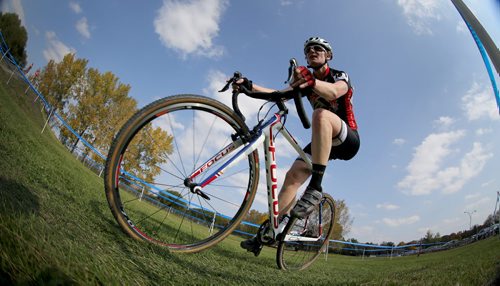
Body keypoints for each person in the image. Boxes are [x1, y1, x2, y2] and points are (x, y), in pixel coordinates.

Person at [233, 36, 360, 256]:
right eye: (308, 49)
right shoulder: (305, 82)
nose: (312, 51)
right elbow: (276, 94)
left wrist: (311, 82)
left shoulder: (339, 75)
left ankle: (315, 188)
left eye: (318, 48)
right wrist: (248, 85)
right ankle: (268, 231)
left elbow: (334, 92)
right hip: (323, 141)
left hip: (347, 139)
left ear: (328, 55)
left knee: (321, 114)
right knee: (292, 176)